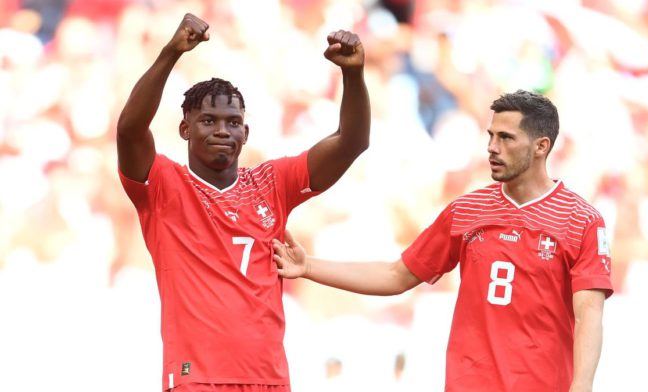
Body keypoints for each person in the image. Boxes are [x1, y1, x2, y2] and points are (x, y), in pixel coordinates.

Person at [273, 90, 612, 392]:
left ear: (542, 147)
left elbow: (589, 315)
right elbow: (397, 275)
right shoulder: (466, 210)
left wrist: (581, 386)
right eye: (491, 136)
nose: (493, 148)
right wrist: (308, 267)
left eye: (507, 138)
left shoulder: (581, 220)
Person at [116, 13, 370, 392]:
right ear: (185, 128)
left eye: (233, 122)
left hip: (268, 379)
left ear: (246, 132)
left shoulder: (273, 184)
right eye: (209, 121)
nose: (222, 130)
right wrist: (170, 54)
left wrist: (353, 76)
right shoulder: (163, 185)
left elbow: (351, 142)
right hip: (196, 379)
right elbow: (130, 130)